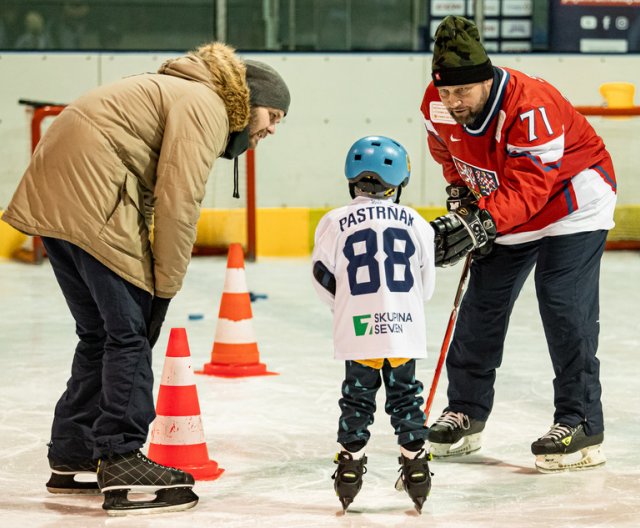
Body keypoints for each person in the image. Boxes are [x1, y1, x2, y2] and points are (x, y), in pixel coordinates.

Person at [2, 42, 290, 515]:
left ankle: (74, 455)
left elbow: (154, 187)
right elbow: (180, 203)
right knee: (131, 334)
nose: (273, 128)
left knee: (100, 333)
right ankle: (119, 456)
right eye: (273, 115)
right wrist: (164, 290)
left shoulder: (180, 91)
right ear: (249, 100)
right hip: (91, 193)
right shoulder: (208, 106)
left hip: (54, 193)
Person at [420, 16, 616, 473]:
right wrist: (465, 200)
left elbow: (532, 186)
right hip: (508, 205)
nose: (453, 101)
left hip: (572, 201)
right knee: (482, 305)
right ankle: (466, 411)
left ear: (485, 79)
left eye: (462, 92)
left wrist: (482, 222)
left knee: (561, 301)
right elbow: (448, 155)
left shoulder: (531, 105)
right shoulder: (437, 103)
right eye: (445, 92)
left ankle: (581, 420)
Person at [311, 136, 436, 513]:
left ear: (352, 179)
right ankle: (416, 467)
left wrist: (347, 306)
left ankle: (349, 467)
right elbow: (425, 283)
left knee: (357, 398)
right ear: (398, 182)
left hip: (360, 329)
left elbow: (322, 275)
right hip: (403, 328)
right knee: (405, 396)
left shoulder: (335, 221)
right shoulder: (415, 221)